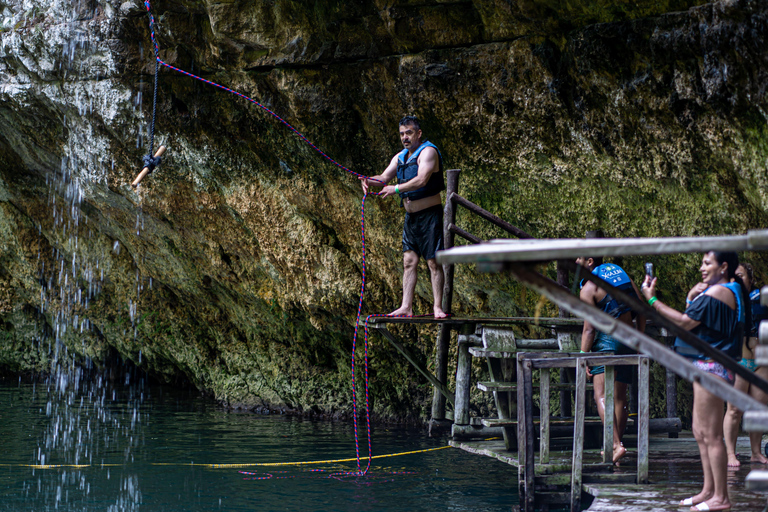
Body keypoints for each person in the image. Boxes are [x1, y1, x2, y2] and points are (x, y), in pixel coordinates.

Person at [642, 251, 749, 512]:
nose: (701, 268)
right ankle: (708, 490)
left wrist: (652, 299)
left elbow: (684, 321)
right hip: (706, 366)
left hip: (713, 368)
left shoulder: (721, 292)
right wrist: (692, 296)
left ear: (723, 267)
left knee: (711, 435)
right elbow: (698, 317)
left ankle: (721, 498)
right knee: (699, 431)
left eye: (707, 263)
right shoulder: (723, 291)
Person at [359, 116, 447, 318]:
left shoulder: (428, 152)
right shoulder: (400, 157)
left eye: (408, 133)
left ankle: (437, 308)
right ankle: (406, 306)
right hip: (411, 218)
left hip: (429, 216)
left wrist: (396, 189)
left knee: (433, 262)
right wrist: (367, 180)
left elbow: (422, 179)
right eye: (401, 134)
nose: (404, 137)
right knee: (409, 261)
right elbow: (383, 178)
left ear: (418, 133)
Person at [577, 255, 646, 463]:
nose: (575, 263)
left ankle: (615, 445)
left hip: (608, 341)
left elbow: (589, 330)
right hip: (629, 339)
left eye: (578, 258)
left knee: (601, 396)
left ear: (590, 262)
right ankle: (616, 446)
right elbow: (642, 310)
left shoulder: (589, 287)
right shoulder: (622, 274)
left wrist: (583, 358)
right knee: (619, 398)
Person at [723, 263, 768, 467]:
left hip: (762, 362)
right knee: (734, 410)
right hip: (739, 361)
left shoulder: (763, 299)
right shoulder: (726, 301)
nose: (737, 280)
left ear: (750, 279)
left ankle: (756, 452)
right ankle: (730, 453)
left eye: (741, 276)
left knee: (758, 408)